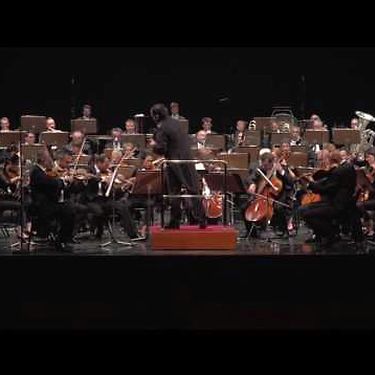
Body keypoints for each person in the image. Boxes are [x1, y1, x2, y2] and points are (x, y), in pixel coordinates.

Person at [149, 103, 206, 229]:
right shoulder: (176, 122)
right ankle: (202, 219)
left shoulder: (162, 127)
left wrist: (153, 144)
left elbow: (161, 149)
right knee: (193, 189)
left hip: (175, 162)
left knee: (174, 192)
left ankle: (175, 222)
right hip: (187, 158)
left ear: (157, 115)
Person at [299, 150, 363, 247]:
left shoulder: (339, 171)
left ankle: (331, 234)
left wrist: (310, 184)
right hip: (342, 203)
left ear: (332, 159)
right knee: (305, 209)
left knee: (307, 214)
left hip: (338, 206)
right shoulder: (348, 167)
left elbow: (326, 189)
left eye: (327, 159)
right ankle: (322, 236)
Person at [81, 154, 143, 241]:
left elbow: (114, 193)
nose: (108, 167)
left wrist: (122, 187)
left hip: (105, 199)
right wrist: (99, 178)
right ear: (99, 163)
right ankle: (97, 232)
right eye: (106, 165)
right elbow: (85, 177)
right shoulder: (89, 169)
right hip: (92, 200)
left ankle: (133, 235)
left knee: (122, 207)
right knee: (98, 211)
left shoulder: (108, 172)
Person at [29, 150, 75, 251]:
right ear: (42, 160)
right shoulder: (37, 172)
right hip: (41, 205)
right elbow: (51, 183)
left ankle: (63, 238)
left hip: (49, 203)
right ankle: (61, 239)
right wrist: (63, 181)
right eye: (48, 158)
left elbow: (52, 182)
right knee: (69, 212)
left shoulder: (43, 171)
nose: (51, 160)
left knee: (70, 209)